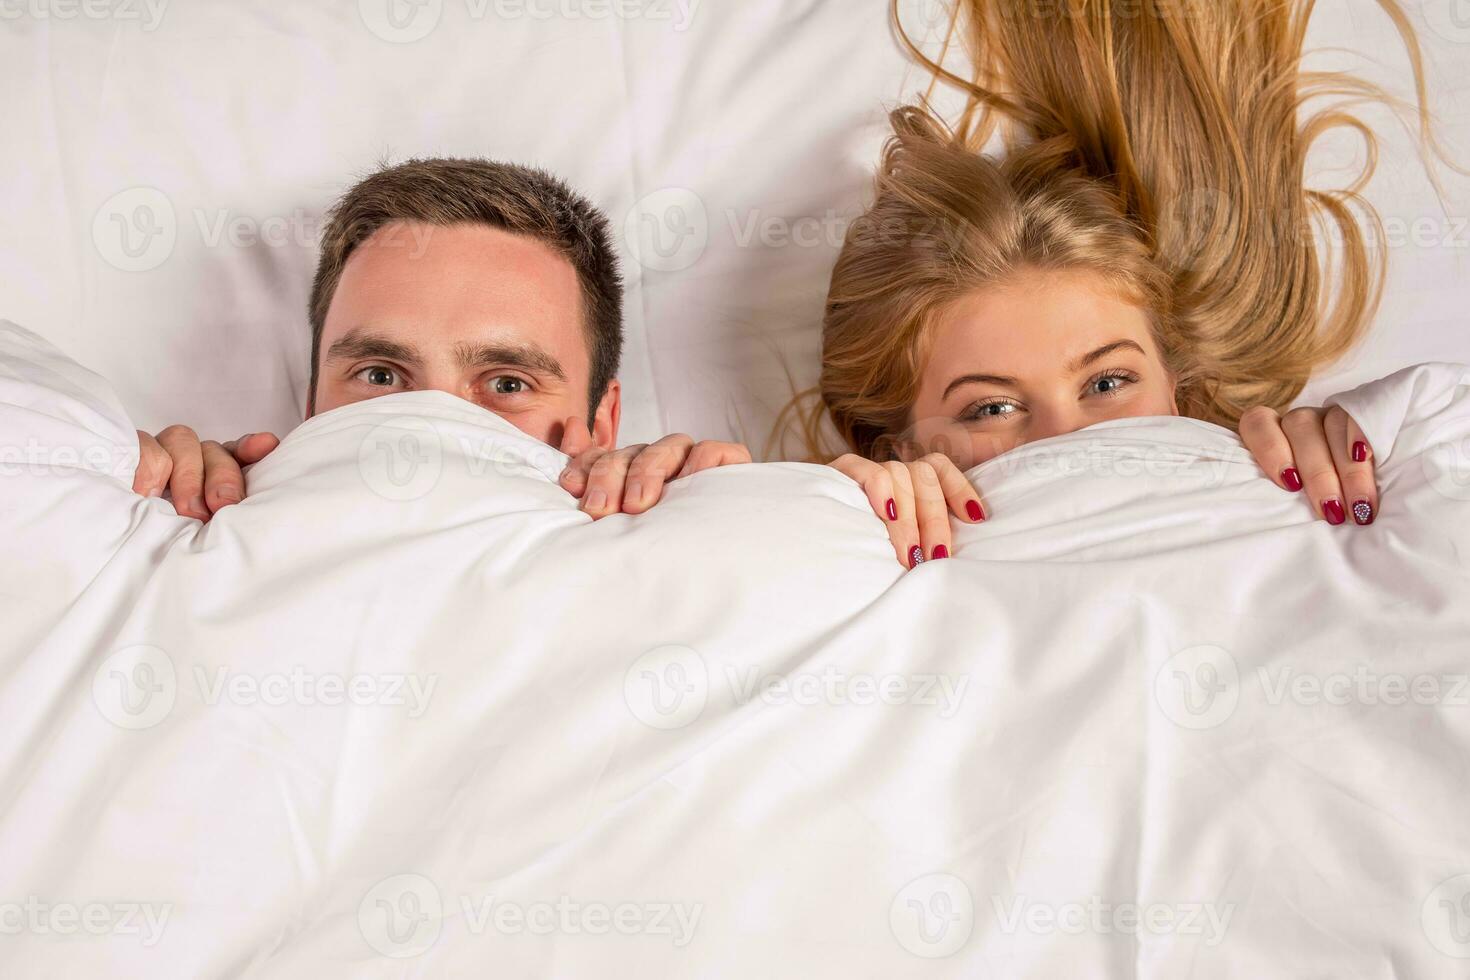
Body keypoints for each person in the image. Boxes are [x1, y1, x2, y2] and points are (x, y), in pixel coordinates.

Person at [772, 0, 1452, 566]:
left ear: (1177, 389)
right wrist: (799, 525)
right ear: (903, 449)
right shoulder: (853, 558)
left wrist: (1373, 453)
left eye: (1107, 383)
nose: (1068, 437)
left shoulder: (1310, 497)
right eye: (991, 409)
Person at [132, 158, 750, 521]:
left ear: (604, 424)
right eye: (381, 375)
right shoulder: (179, 533)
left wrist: (760, 512)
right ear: (311, 404)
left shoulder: (683, 553)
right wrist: (136, 493)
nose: (431, 424)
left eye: (508, 384)